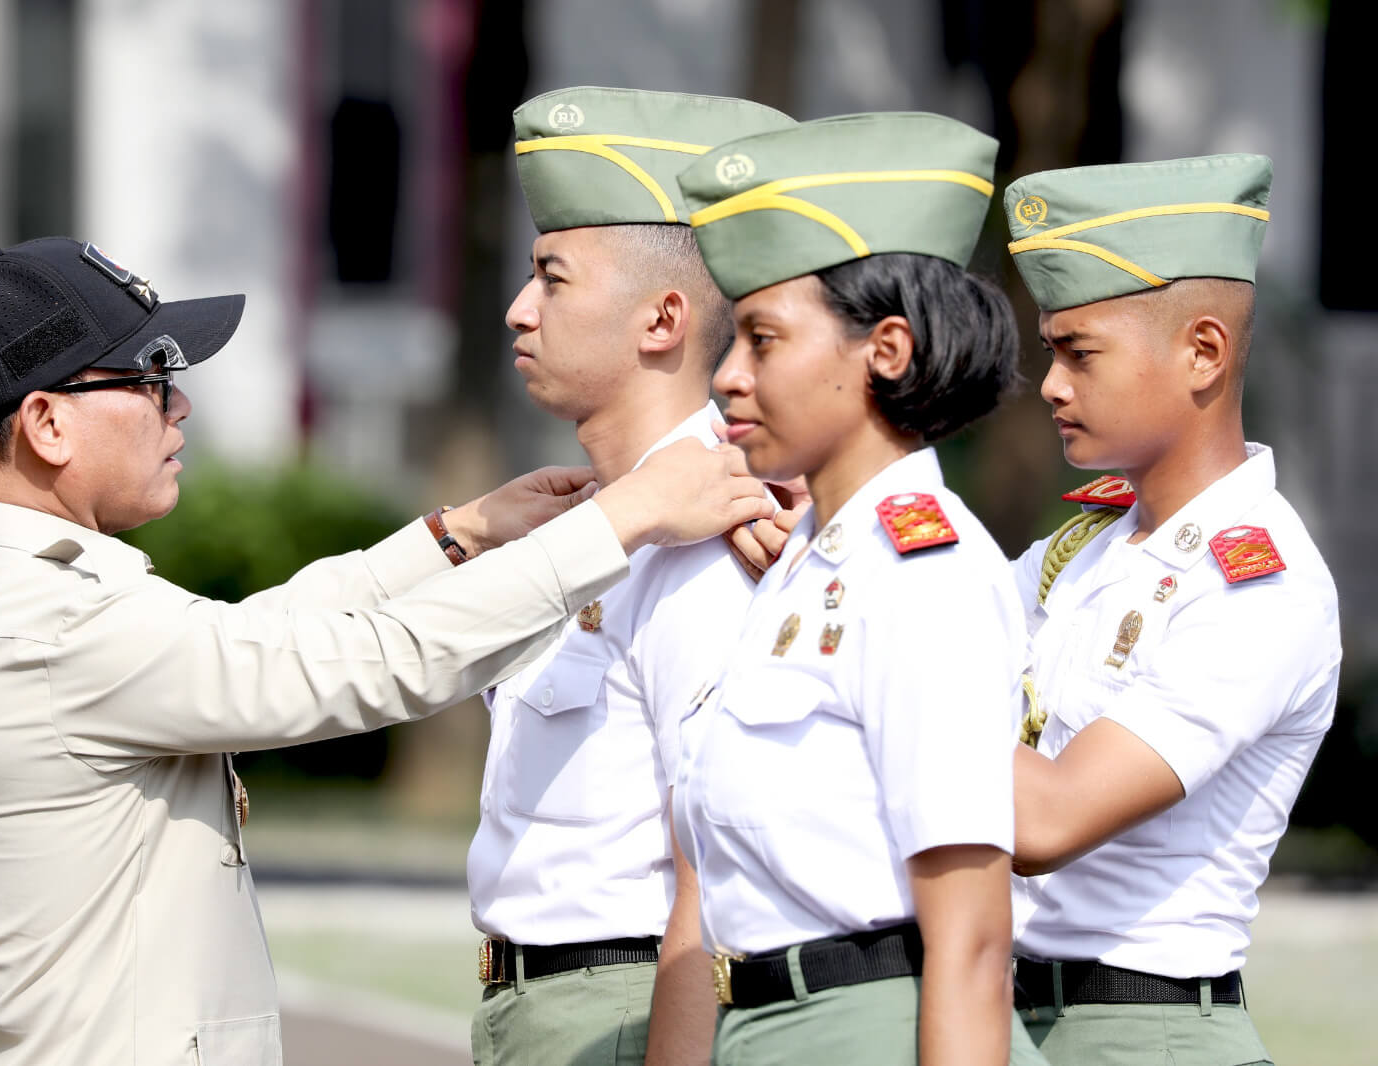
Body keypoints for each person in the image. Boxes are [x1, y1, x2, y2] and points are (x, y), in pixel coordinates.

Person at [0, 236, 772, 1066]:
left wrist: (456, 533)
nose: (179, 403)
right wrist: (631, 512)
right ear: (46, 423)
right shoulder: (47, 624)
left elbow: (253, 640)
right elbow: (369, 664)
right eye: (153, 376)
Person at [670, 112, 1048, 1066]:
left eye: (762, 340)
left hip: (867, 1029)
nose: (726, 377)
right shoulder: (811, 561)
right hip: (768, 1026)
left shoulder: (924, 574)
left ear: (885, 349)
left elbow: (969, 936)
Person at [468, 86, 791, 1066]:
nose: (519, 312)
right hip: (536, 1005)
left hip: (623, 1007)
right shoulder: (593, 515)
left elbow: (710, 871)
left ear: (661, 318)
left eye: (553, 278)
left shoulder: (716, 538)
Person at [1002, 155, 1340, 1065]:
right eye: (1051, 354)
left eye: (1081, 353)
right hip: (1012, 1011)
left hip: (1146, 1032)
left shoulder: (1260, 586)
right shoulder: (1078, 552)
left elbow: (1047, 822)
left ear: (1203, 352)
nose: (1052, 385)